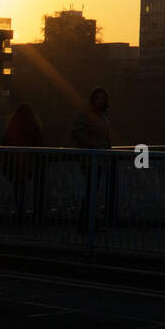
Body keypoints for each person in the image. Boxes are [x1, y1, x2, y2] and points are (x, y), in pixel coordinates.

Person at [73, 87, 113, 233]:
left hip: (100, 158)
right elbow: (76, 133)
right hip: (91, 158)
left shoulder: (103, 116)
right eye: (98, 97)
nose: (100, 100)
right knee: (91, 190)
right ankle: (85, 224)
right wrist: (93, 146)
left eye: (102, 98)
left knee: (92, 191)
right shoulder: (86, 115)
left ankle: (86, 223)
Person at [3, 103, 46, 225]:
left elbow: (5, 142)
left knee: (19, 190)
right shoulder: (34, 126)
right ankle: (36, 217)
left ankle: (19, 214)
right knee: (35, 190)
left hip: (16, 164)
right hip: (32, 163)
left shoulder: (12, 126)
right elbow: (40, 143)